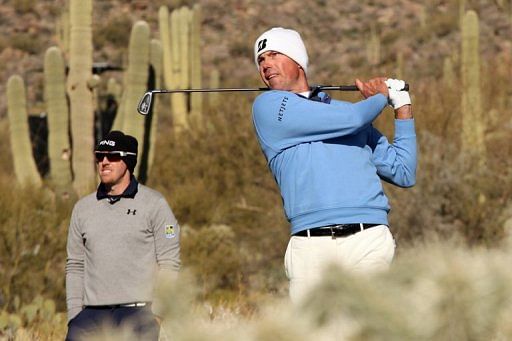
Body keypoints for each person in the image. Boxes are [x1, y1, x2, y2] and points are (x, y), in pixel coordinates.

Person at [251, 27, 416, 302]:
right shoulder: (267, 108)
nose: (266, 64)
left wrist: (403, 108)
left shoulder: (345, 112)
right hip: (309, 246)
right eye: (261, 60)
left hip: (368, 239)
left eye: (274, 55)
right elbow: (352, 119)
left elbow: (404, 171)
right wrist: (381, 95)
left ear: (297, 61)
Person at [65, 131, 181, 340]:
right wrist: (74, 315)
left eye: (112, 156)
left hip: (138, 314)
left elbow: (169, 262)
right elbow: (75, 265)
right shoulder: (82, 208)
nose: (104, 162)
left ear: (128, 160)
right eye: (100, 156)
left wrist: (158, 315)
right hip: (91, 316)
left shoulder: (155, 204)